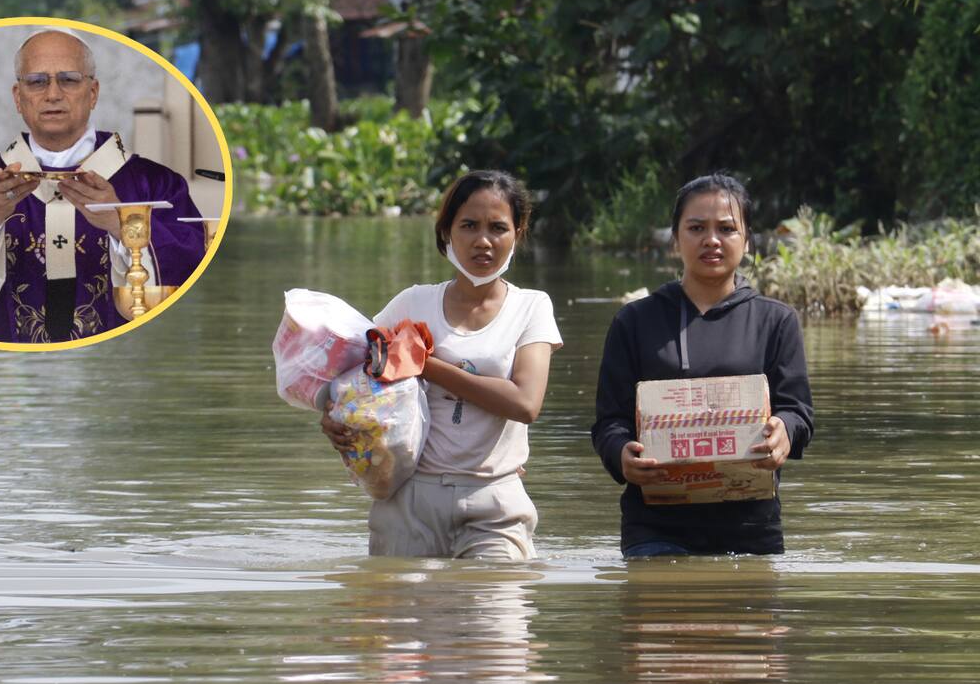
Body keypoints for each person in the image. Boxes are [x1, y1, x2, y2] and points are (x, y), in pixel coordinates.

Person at [322, 170, 562, 560]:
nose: (482, 241)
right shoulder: (411, 304)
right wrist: (333, 418)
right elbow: (350, 380)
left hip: (494, 501)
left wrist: (425, 365)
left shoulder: (532, 307)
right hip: (409, 500)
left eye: (497, 227)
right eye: (468, 225)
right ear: (447, 231)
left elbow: (525, 403)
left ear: (517, 233)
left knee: (498, 613)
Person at [0, 29, 206, 343]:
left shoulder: (155, 186)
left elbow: (194, 267)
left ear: (92, 93)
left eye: (69, 79)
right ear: (18, 97)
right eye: (37, 81)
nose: (52, 94)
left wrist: (122, 225)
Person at [592, 173, 814, 557]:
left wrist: (785, 433)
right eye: (696, 228)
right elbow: (609, 421)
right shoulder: (634, 321)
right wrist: (621, 454)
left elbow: (798, 412)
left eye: (726, 228)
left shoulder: (775, 321)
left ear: (747, 242)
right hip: (655, 526)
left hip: (751, 527)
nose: (711, 239)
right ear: (676, 239)